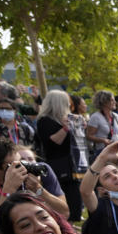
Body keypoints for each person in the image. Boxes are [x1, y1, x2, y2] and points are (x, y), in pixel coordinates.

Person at [35, 89, 85, 222]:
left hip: (72, 164)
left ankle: (74, 220)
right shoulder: (44, 121)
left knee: (75, 197)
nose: (69, 106)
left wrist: (79, 126)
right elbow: (55, 141)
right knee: (64, 196)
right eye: (66, 103)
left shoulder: (65, 118)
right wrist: (66, 128)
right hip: (58, 165)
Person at [86, 90, 118, 159]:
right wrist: (103, 140)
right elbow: (89, 136)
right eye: (112, 100)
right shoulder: (95, 117)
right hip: (102, 151)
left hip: (116, 150)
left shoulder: (116, 116)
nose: (115, 102)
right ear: (104, 102)